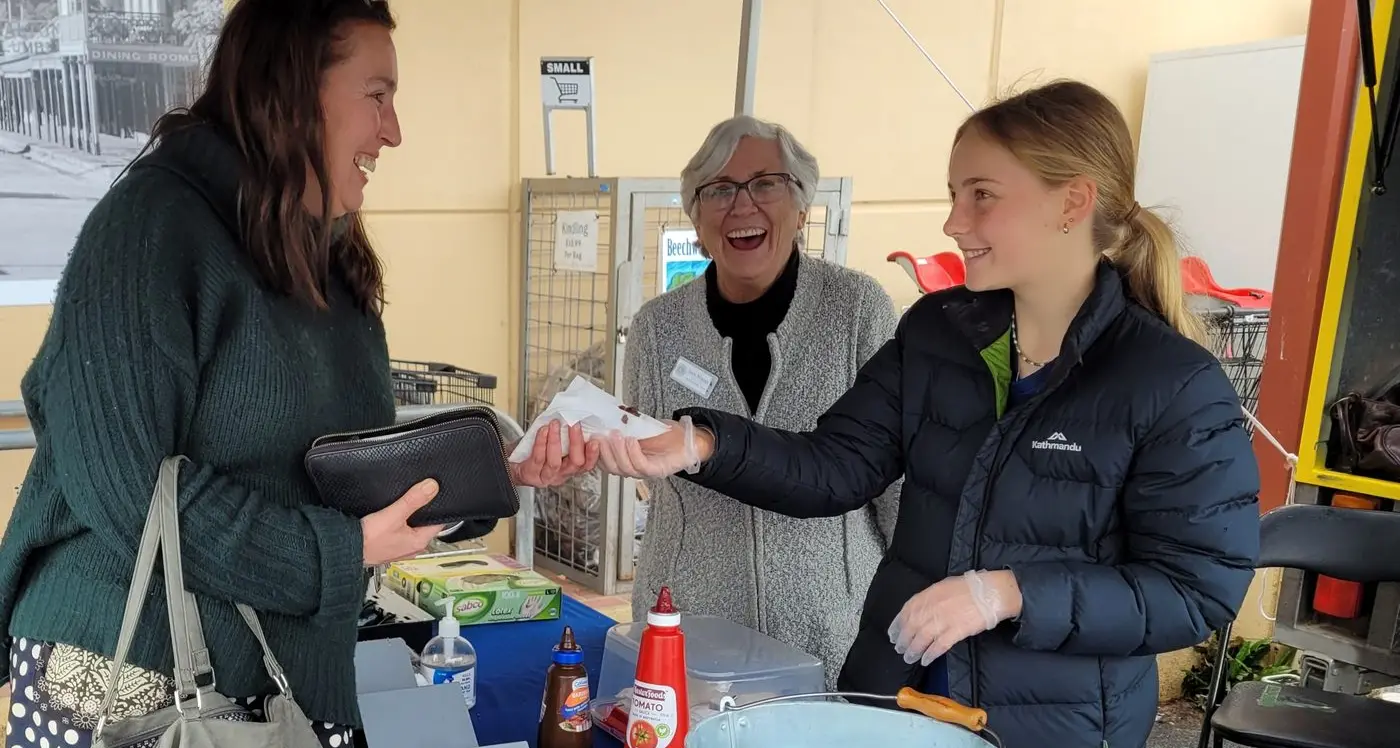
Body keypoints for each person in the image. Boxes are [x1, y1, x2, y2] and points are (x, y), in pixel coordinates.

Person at [590, 80, 1260, 748]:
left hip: (1048, 724)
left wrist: (1007, 593)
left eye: (982, 196)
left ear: (1072, 202)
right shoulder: (940, 333)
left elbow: (1195, 589)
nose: (953, 223)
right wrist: (701, 443)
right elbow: (835, 466)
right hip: (894, 702)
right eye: (953, 195)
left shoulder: (1171, 383)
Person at [0, 2, 593, 746]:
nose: (394, 130)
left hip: (278, 676)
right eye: (376, 95)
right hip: (131, 682)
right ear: (289, 89)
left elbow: (326, 468)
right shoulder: (150, 227)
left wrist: (476, 478)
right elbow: (123, 485)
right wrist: (336, 556)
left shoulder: (319, 248)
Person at [625, 115, 899, 687]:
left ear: (801, 207)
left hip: (835, 631)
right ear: (696, 220)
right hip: (692, 630)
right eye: (718, 190)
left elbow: (897, 484)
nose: (741, 206)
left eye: (766, 183)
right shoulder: (656, 328)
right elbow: (648, 474)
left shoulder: (856, 310)